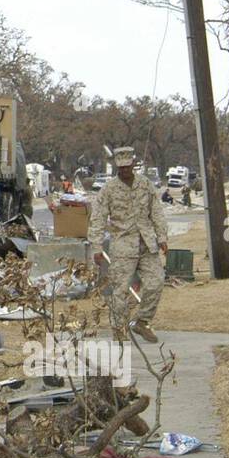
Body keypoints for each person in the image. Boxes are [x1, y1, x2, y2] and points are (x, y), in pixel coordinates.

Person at [88, 146, 168, 344]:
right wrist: (96, 247)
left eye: (127, 166)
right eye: (120, 167)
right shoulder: (109, 189)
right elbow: (97, 218)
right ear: (116, 166)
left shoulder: (145, 185)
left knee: (156, 282)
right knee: (120, 290)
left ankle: (142, 321)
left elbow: (156, 211)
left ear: (133, 164)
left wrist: (162, 237)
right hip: (123, 245)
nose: (124, 170)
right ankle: (119, 329)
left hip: (147, 244)